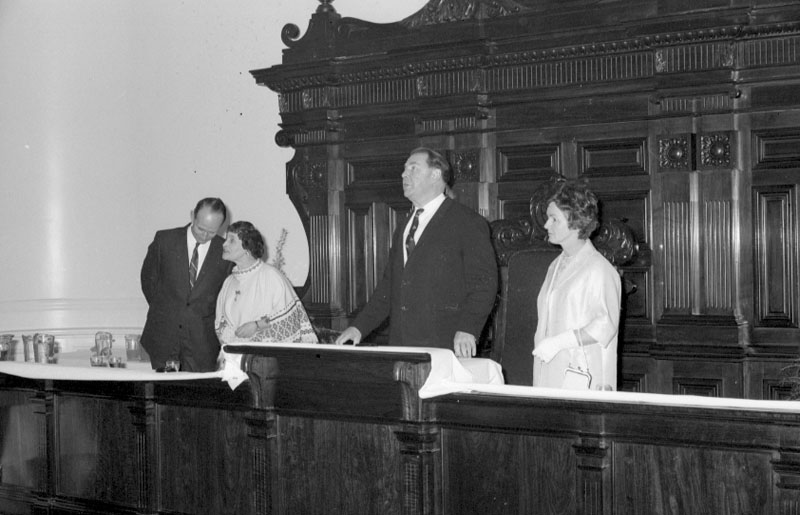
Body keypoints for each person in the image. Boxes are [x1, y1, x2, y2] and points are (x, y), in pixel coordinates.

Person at [334, 147, 498, 357]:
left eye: (413, 168)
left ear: (435, 174)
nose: (404, 174)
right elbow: (389, 287)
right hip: (402, 346)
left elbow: (484, 284)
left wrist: (468, 328)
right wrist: (358, 327)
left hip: (445, 346)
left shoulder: (467, 222)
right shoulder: (403, 227)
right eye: (404, 169)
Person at [531, 180, 621, 390]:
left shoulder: (599, 269)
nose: (546, 225)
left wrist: (559, 342)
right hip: (550, 371)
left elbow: (605, 325)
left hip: (583, 375)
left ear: (576, 222)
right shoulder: (555, 265)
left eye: (554, 219)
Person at [140, 198, 233, 372]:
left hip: (202, 345)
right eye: (200, 228)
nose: (204, 236)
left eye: (212, 232)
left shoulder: (225, 251)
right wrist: (169, 310)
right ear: (192, 216)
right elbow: (148, 282)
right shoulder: (165, 240)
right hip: (163, 339)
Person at [215, 221, 318, 345]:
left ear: (247, 248)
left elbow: (289, 319)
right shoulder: (229, 282)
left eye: (231, 240)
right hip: (234, 354)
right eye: (226, 239)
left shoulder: (271, 276)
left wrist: (256, 326)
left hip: (265, 358)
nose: (224, 244)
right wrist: (233, 340)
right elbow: (220, 322)